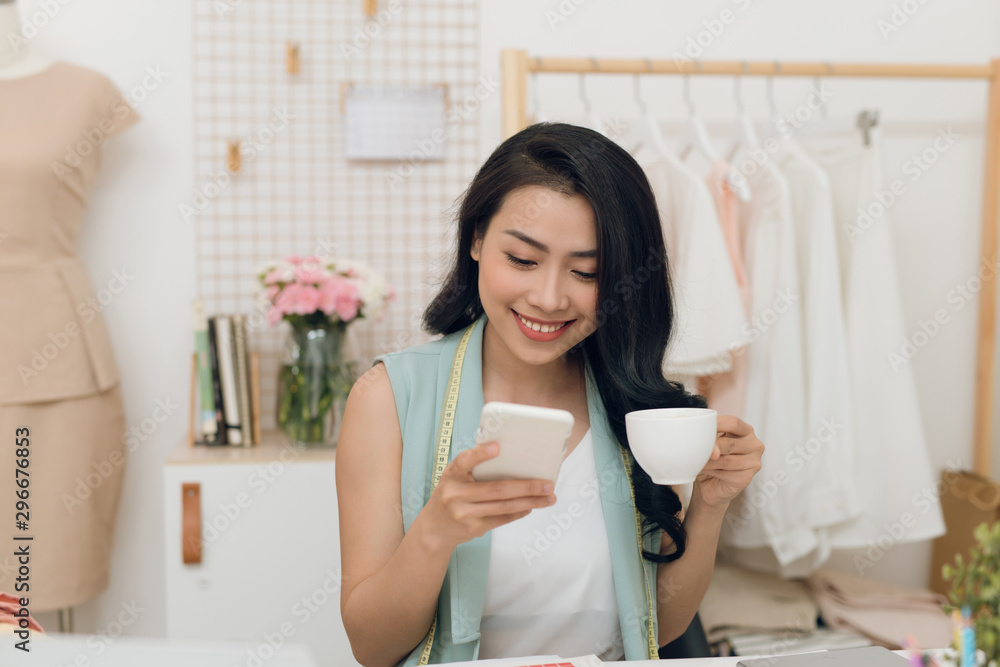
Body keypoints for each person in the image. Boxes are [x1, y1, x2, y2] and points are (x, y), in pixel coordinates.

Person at [336, 122, 765, 665]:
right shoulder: (389, 399)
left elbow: (657, 627)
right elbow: (371, 649)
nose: (548, 297)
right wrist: (435, 533)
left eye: (587, 272)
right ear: (475, 239)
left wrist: (709, 506)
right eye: (522, 260)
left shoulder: (634, 400)